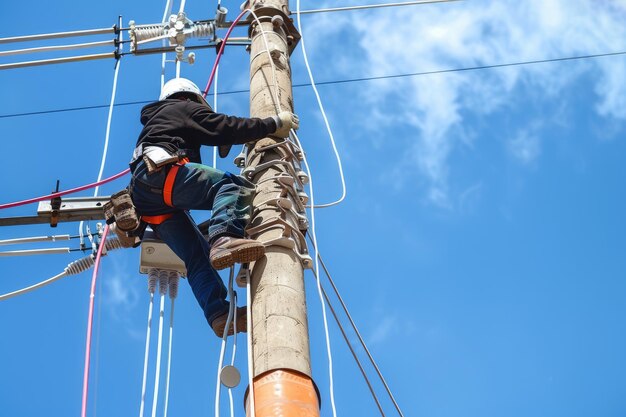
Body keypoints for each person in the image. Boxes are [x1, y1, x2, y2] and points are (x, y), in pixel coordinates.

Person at [128, 78, 299, 337]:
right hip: (162, 173)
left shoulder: (160, 121)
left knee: (196, 255)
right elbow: (222, 126)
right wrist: (273, 124)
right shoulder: (182, 107)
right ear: (191, 97)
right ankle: (225, 240)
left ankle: (219, 315)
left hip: (149, 200)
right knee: (234, 187)